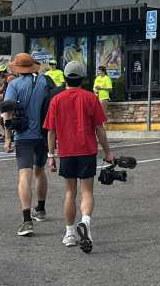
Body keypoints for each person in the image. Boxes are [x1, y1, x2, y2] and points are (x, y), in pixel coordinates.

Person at [44, 61, 114, 253]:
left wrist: (51, 155)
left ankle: (69, 233)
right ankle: (85, 222)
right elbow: (99, 128)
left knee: (70, 192)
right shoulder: (91, 98)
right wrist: (108, 152)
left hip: (66, 152)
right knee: (87, 192)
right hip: (87, 151)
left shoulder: (56, 100)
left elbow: (51, 130)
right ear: (83, 78)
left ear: (65, 77)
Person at [3, 53, 51, 237]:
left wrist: (8, 138)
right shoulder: (44, 82)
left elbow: (7, 112)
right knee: (40, 171)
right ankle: (41, 209)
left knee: (25, 175)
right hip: (44, 134)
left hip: (23, 136)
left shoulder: (13, 85)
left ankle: (26, 220)